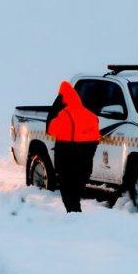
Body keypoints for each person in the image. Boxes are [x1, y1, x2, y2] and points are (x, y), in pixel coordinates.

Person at [46, 81, 100, 212]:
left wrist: (55, 107)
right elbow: (95, 139)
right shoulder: (91, 116)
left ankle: (74, 218)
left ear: (61, 98)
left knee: (68, 193)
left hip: (67, 160)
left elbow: (50, 128)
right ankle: (75, 216)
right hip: (85, 163)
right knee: (76, 193)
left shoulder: (64, 115)